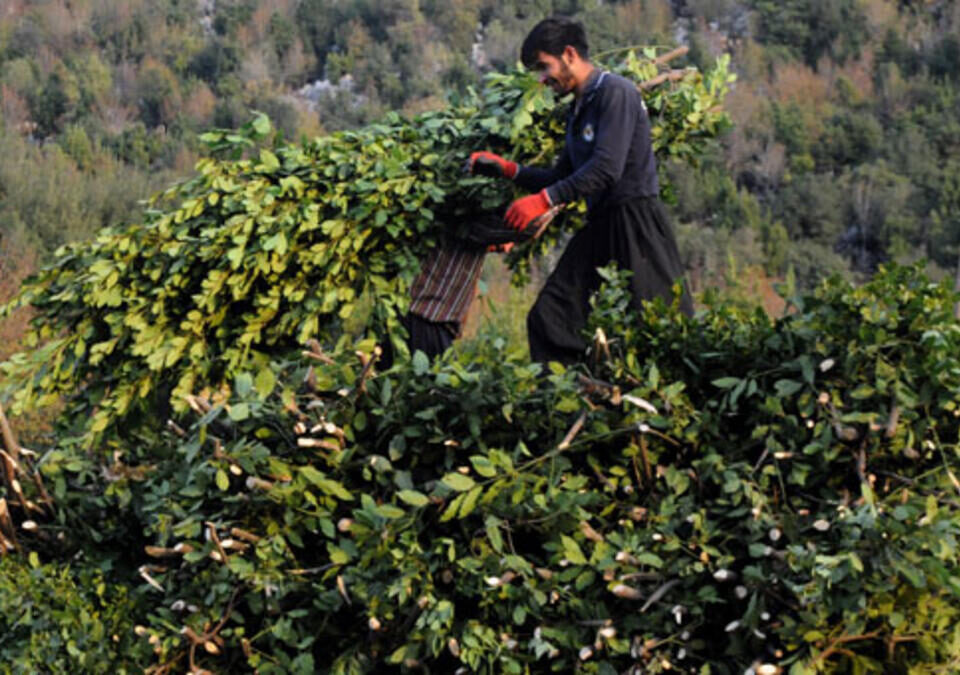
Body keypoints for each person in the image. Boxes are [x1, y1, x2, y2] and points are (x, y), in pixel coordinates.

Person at [467, 16, 693, 365]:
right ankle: (575, 399)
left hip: (637, 223)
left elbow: (605, 169)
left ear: (569, 54)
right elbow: (563, 175)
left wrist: (543, 201)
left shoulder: (616, 92)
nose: (543, 79)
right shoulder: (576, 110)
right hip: (600, 224)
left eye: (545, 66)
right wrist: (509, 170)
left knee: (660, 329)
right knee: (549, 317)